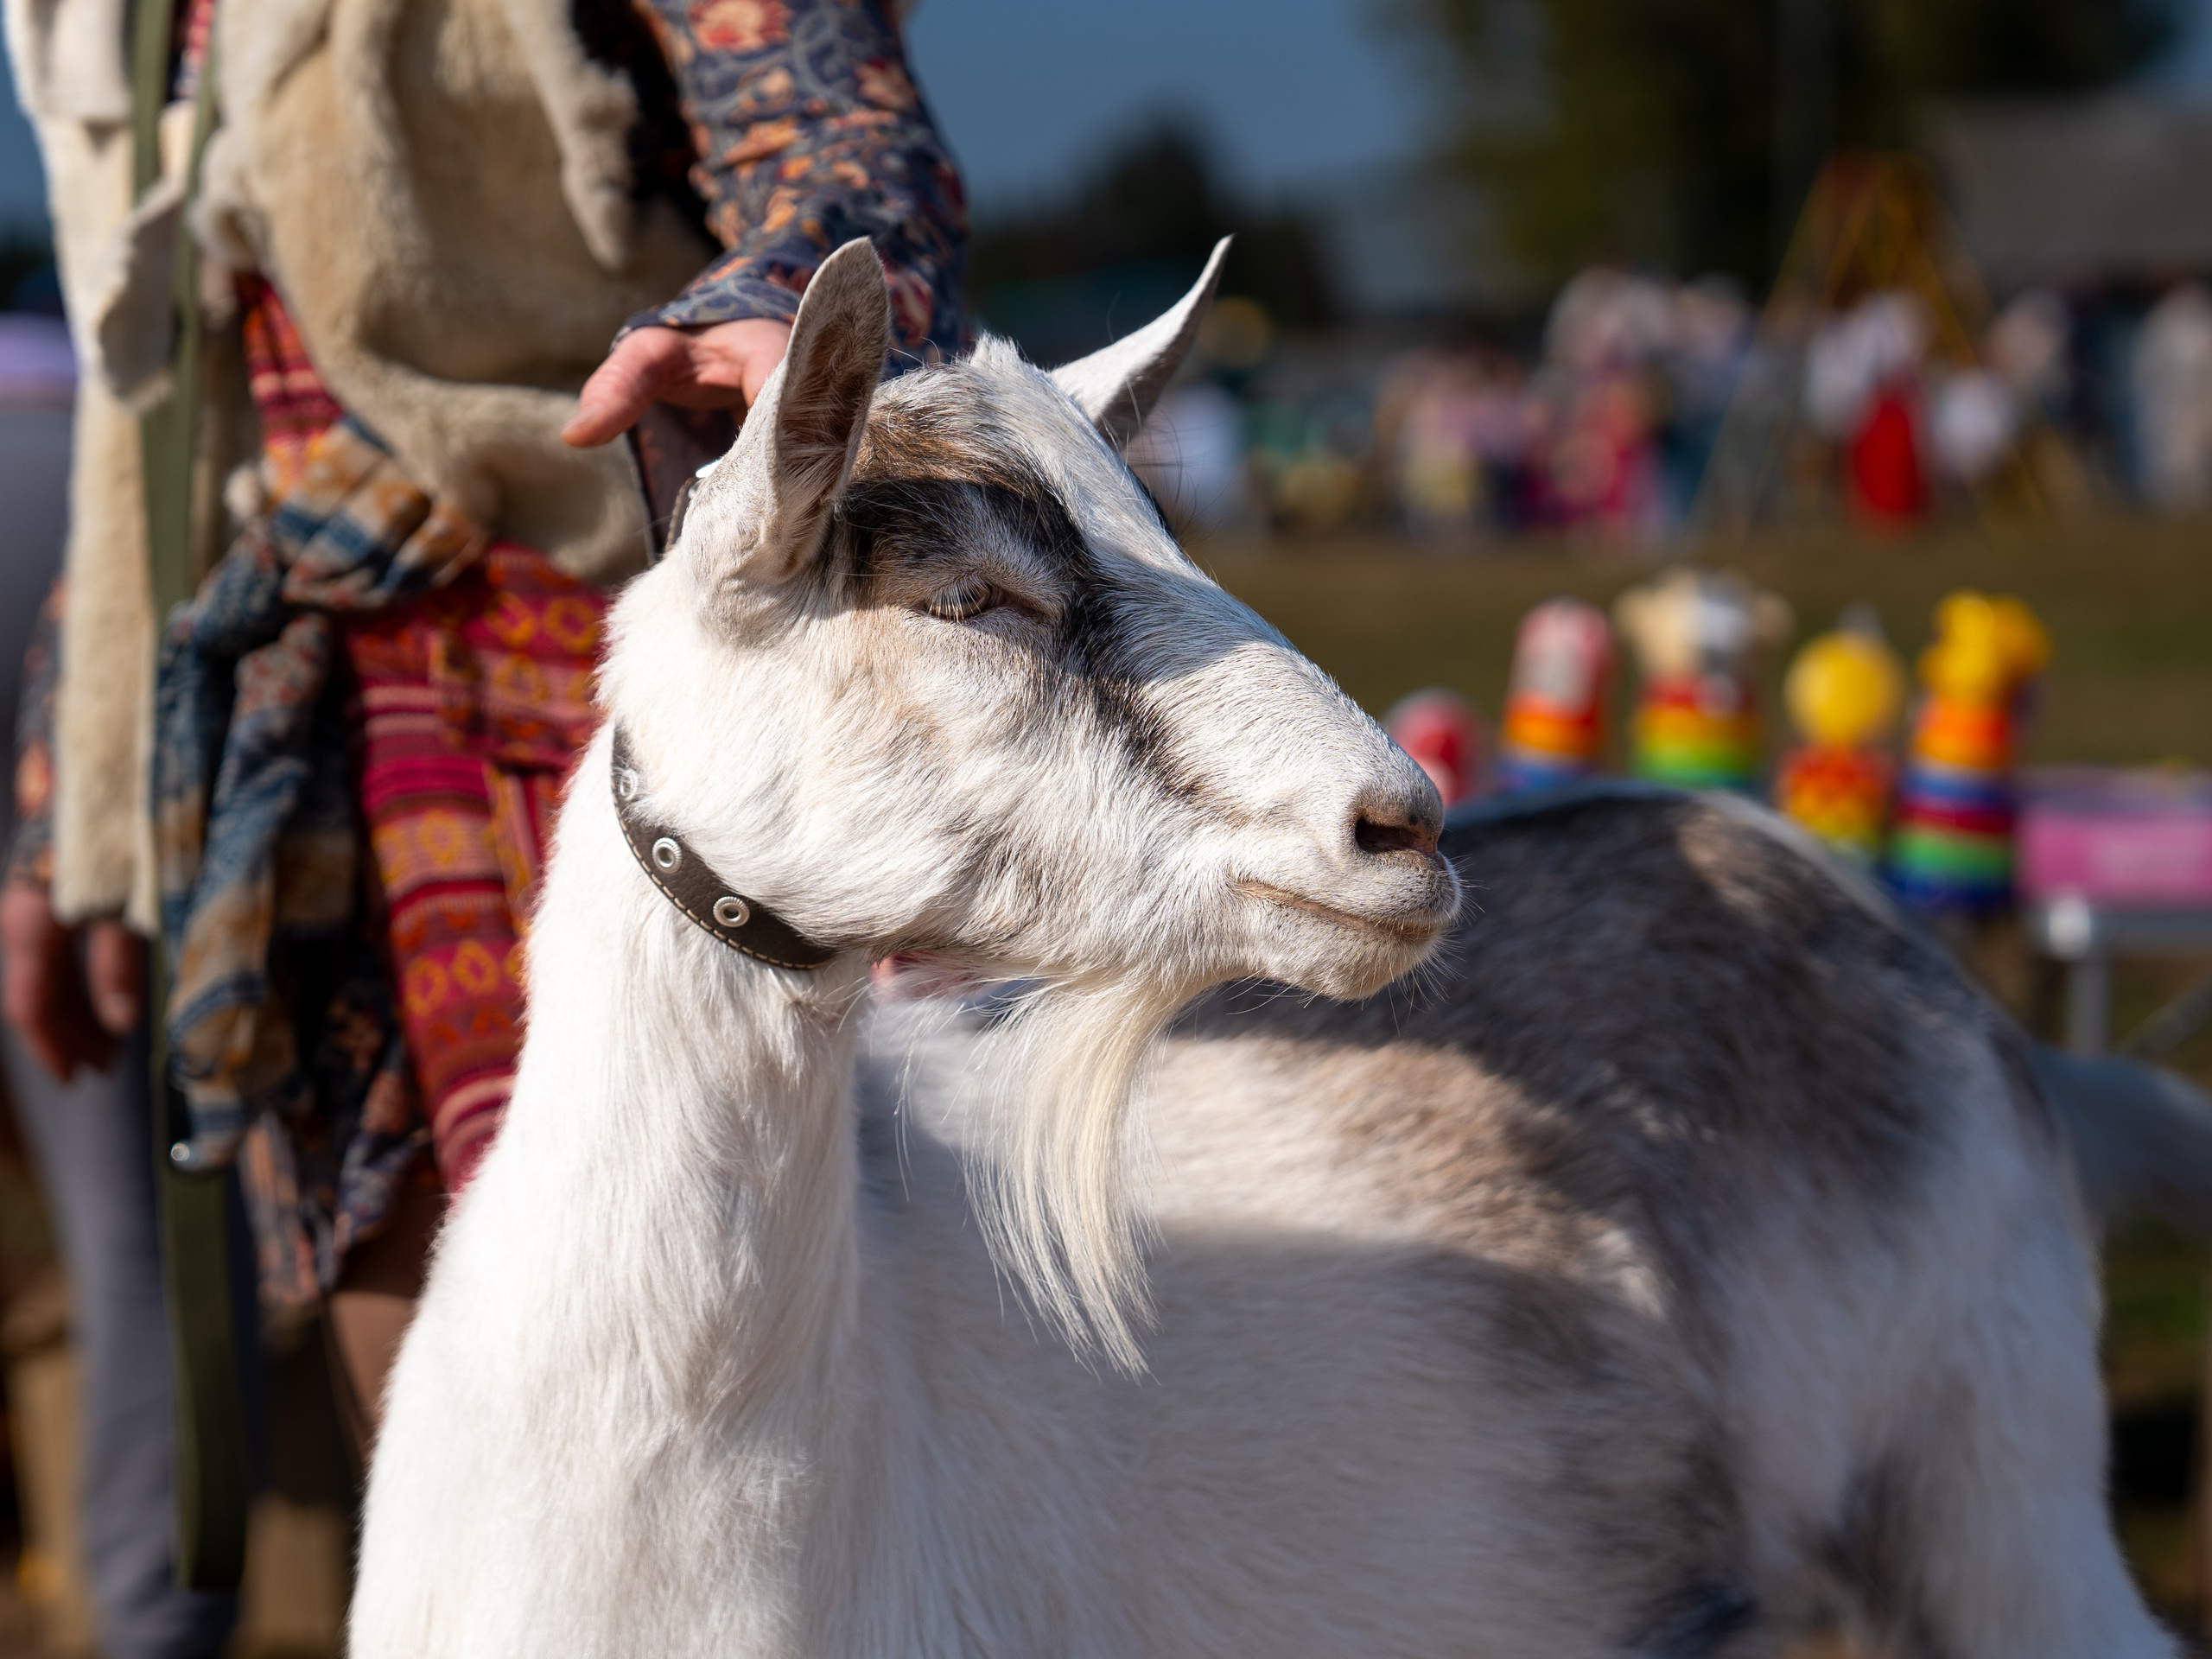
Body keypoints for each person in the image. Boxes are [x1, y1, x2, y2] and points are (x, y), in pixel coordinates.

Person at [1, 0, 966, 1643]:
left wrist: (768, 293)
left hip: (626, 668)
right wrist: (59, 807)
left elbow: (832, 126)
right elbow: (161, 391)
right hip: (321, 734)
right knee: (455, 1426)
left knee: (728, 1421)